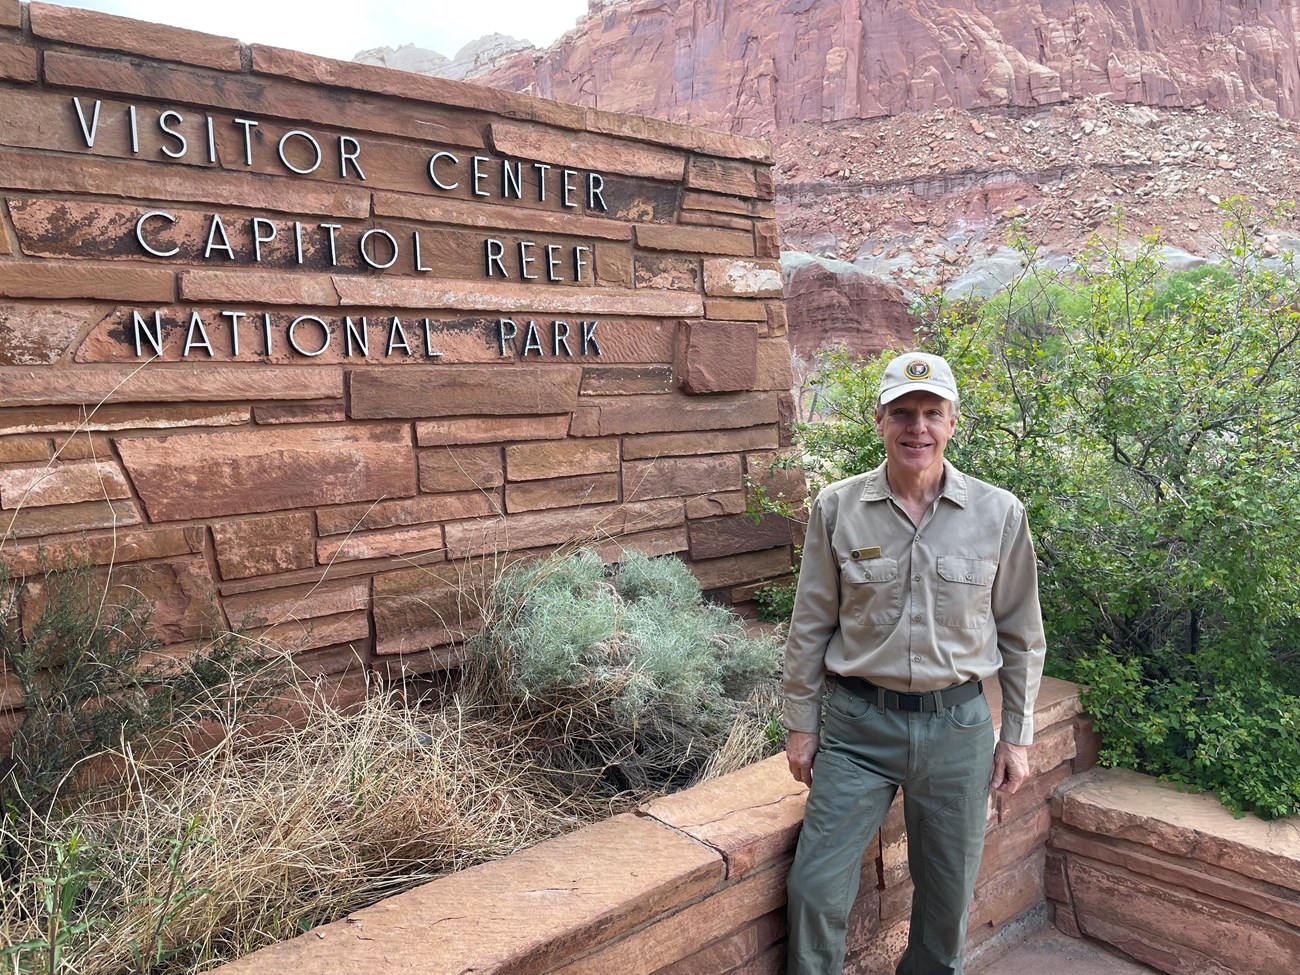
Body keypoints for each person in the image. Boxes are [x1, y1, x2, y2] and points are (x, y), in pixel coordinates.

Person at [782, 351, 1046, 975]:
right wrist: (801, 723)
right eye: (902, 412)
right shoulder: (838, 508)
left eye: (932, 413)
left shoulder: (998, 513)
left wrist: (1017, 736)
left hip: (958, 732)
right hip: (856, 730)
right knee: (814, 888)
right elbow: (811, 623)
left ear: (953, 421)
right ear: (879, 420)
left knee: (946, 902)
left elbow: (1022, 634)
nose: (917, 427)